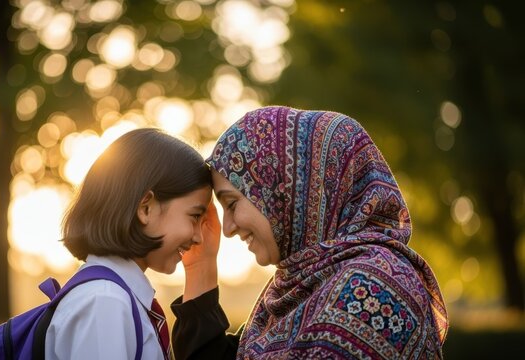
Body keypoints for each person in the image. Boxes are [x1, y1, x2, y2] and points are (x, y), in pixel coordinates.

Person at [171, 106, 449, 359]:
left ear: (285, 192)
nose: (228, 228)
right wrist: (201, 265)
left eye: (232, 204)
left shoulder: (371, 289)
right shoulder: (303, 286)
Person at [47, 128, 212, 360]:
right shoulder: (105, 303)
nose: (199, 237)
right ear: (146, 208)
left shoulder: (116, 299)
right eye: (195, 216)